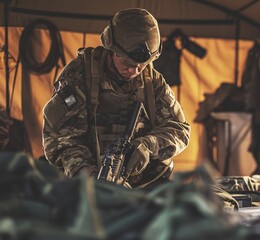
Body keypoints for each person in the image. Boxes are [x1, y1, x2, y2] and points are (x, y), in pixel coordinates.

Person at [42, 8, 190, 188]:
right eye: (127, 63)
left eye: (142, 65)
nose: (134, 71)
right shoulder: (79, 76)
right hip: (86, 185)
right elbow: (61, 140)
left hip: (141, 187)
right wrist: (90, 179)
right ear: (111, 49)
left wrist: (147, 146)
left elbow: (180, 130)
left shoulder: (153, 82)